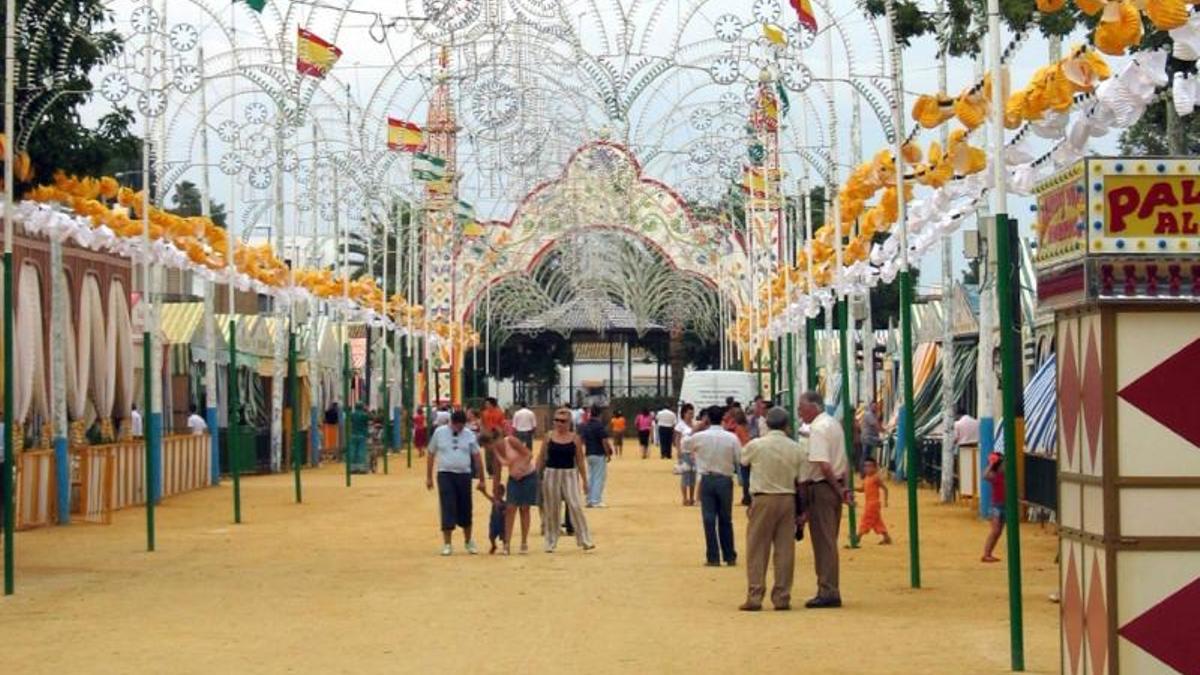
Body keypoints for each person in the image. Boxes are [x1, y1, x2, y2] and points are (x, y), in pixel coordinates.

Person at [739, 407, 808, 611]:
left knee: (757, 548)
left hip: (762, 498)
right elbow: (802, 482)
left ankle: (755, 595)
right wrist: (801, 510)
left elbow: (743, 463)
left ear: (766, 424)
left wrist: (747, 497)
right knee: (785, 550)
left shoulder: (757, 445)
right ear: (787, 425)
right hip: (787, 499)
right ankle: (782, 596)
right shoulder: (796, 448)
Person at [797, 390, 852, 608]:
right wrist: (843, 488)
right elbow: (844, 460)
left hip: (822, 487)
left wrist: (838, 490)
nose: (800, 412)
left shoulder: (818, 430)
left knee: (824, 542)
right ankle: (827, 587)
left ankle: (828, 589)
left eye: (802, 407)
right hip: (834, 485)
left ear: (814, 407)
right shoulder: (833, 425)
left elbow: (823, 464)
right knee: (829, 538)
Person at [687, 405, 741, 568]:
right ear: (723, 418)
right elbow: (739, 458)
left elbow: (684, 445)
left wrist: (697, 427)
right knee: (726, 519)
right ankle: (729, 555)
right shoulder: (731, 438)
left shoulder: (701, 436)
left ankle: (713, 556)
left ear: (707, 419)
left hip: (707, 479)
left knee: (709, 519)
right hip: (725, 479)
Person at [426, 410, 485, 556]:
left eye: (461, 426)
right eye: (456, 425)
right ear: (451, 422)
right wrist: (429, 477)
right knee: (447, 506)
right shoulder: (439, 432)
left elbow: (477, 456)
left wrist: (482, 478)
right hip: (445, 473)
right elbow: (431, 453)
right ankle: (447, 543)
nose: (458, 429)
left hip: (464, 474)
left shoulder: (469, 434)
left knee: (466, 507)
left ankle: (468, 540)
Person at [537, 407, 594, 552]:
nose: (559, 423)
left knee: (575, 505)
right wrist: (537, 475)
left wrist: (585, 481)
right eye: (556, 420)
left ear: (569, 422)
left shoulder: (575, 438)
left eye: (562, 421)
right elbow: (541, 457)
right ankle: (550, 542)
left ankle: (585, 539)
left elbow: (580, 461)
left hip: (569, 474)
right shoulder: (548, 436)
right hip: (551, 474)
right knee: (552, 509)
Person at [482, 428, 538, 554]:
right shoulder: (495, 454)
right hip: (514, 478)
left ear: (494, 440)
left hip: (528, 475)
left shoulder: (511, 441)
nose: (488, 449)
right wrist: (495, 494)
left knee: (524, 508)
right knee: (510, 509)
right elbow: (497, 475)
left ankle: (524, 542)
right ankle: (507, 544)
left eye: (488, 446)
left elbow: (528, 454)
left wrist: (522, 468)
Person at [579, 405, 613, 508]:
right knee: (599, 477)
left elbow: (582, 440)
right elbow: (604, 440)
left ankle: (589, 499)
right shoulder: (599, 426)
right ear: (599, 414)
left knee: (591, 477)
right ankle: (596, 500)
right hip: (598, 453)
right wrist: (608, 453)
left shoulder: (586, 425)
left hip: (589, 453)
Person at [856, 458, 891, 545]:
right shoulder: (866, 478)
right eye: (865, 466)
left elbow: (885, 489)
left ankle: (858, 537)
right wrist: (853, 488)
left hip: (874, 504)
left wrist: (886, 501)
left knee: (866, 519)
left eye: (870, 466)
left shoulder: (875, 478)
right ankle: (886, 537)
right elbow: (862, 489)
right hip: (869, 503)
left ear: (875, 468)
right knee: (877, 521)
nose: (867, 468)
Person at [982, 452, 1006, 563]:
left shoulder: (1006, 476)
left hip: (1004, 505)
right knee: (995, 530)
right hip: (996, 505)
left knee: (998, 531)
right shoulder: (995, 476)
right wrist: (992, 463)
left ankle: (988, 553)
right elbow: (985, 475)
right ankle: (986, 554)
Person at [727, 408, 753, 506]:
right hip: (750, 449)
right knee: (749, 475)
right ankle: (749, 496)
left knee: (744, 476)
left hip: (742, 452)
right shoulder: (747, 426)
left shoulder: (738, 428)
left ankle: (746, 497)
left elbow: (737, 441)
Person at [675, 404, 697, 506]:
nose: (691, 415)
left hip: (694, 453)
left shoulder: (695, 424)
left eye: (692, 413)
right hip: (684, 452)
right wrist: (678, 451)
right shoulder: (680, 425)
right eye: (689, 413)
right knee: (685, 475)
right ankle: (685, 498)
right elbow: (677, 439)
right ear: (684, 413)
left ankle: (692, 497)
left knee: (693, 475)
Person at [348, 402, 370, 473]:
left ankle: (353, 469)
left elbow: (351, 422)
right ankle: (361, 469)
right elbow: (367, 423)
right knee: (361, 452)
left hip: (353, 435)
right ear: (362, 407)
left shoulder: (352, 415)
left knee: (353, 452)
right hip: (362, 435)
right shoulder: (364, 415)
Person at [860, 400, 882, 469]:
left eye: (876, 406)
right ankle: (863, 473)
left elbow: (877, 425)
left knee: (868, 456)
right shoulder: (869, 414)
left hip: (870, 438)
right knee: (865, 456)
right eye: (873, 406)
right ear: (870, 406)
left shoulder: (874, 415)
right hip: (867, 438)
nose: (875, 408)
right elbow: (876, 425)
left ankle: (867, 472)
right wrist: (885, 431)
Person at [488, 483, 508, 555]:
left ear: (503, 494)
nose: (498, 495)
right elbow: (488, 497)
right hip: (493, 523)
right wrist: (482, 491)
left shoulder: (504, 503)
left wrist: (505, 512)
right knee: (491, 536)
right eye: (497, 493)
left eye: (500, 493)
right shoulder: (494, 501)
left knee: (504, 537)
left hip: (502, 524)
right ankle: (493, 545)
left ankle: (505, 547)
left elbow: (507, 511)